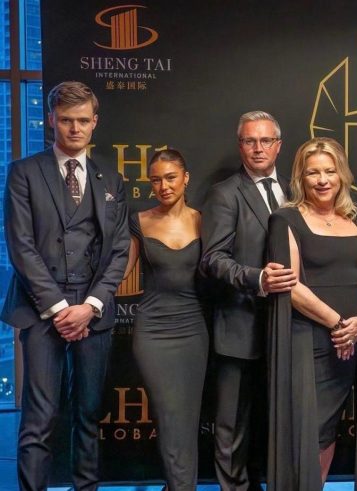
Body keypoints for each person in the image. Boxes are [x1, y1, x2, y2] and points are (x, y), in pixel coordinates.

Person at [2, 81, 129, 491]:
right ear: (51, 120)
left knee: (88, 415)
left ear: (95, 123)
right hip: (41, 309)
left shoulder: (110, 177)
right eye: (66, 120)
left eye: (83, 121)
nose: (75, 128)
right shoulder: (23, 172)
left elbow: (120, 249)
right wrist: (60, 310)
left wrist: (90, 306)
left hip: (92, 310)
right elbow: (21, 247)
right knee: (39, 418)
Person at [265, 137, 357, 489]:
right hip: (309, 342)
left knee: (328, 427)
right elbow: (290, 285)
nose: (322, 180)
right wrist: (338, 324)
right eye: (312, 172)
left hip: (353, 342)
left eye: (330, 171)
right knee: (308, 430)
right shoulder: (285, 219)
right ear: (300, 178)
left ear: (342, 174)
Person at [201, 111, 296, 490]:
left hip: (288, 329)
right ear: (240, 146)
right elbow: (213, 259)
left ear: (279, 145)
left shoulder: (295, 190)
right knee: (232, 428)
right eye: (249, 141)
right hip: (239, 328)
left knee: (272, 424)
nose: (258, 148)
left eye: (265, 141)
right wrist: (257, 279)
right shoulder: (225, 194)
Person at [124, 149, 207, 490]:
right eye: (156, 180)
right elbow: (120, 273)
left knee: (186, 420)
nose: (164, 186)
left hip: (194, 330)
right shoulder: (139, 220)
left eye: (171, 178)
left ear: (185, 178)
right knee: (170, 416)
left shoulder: (204, 220)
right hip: (153, 332)